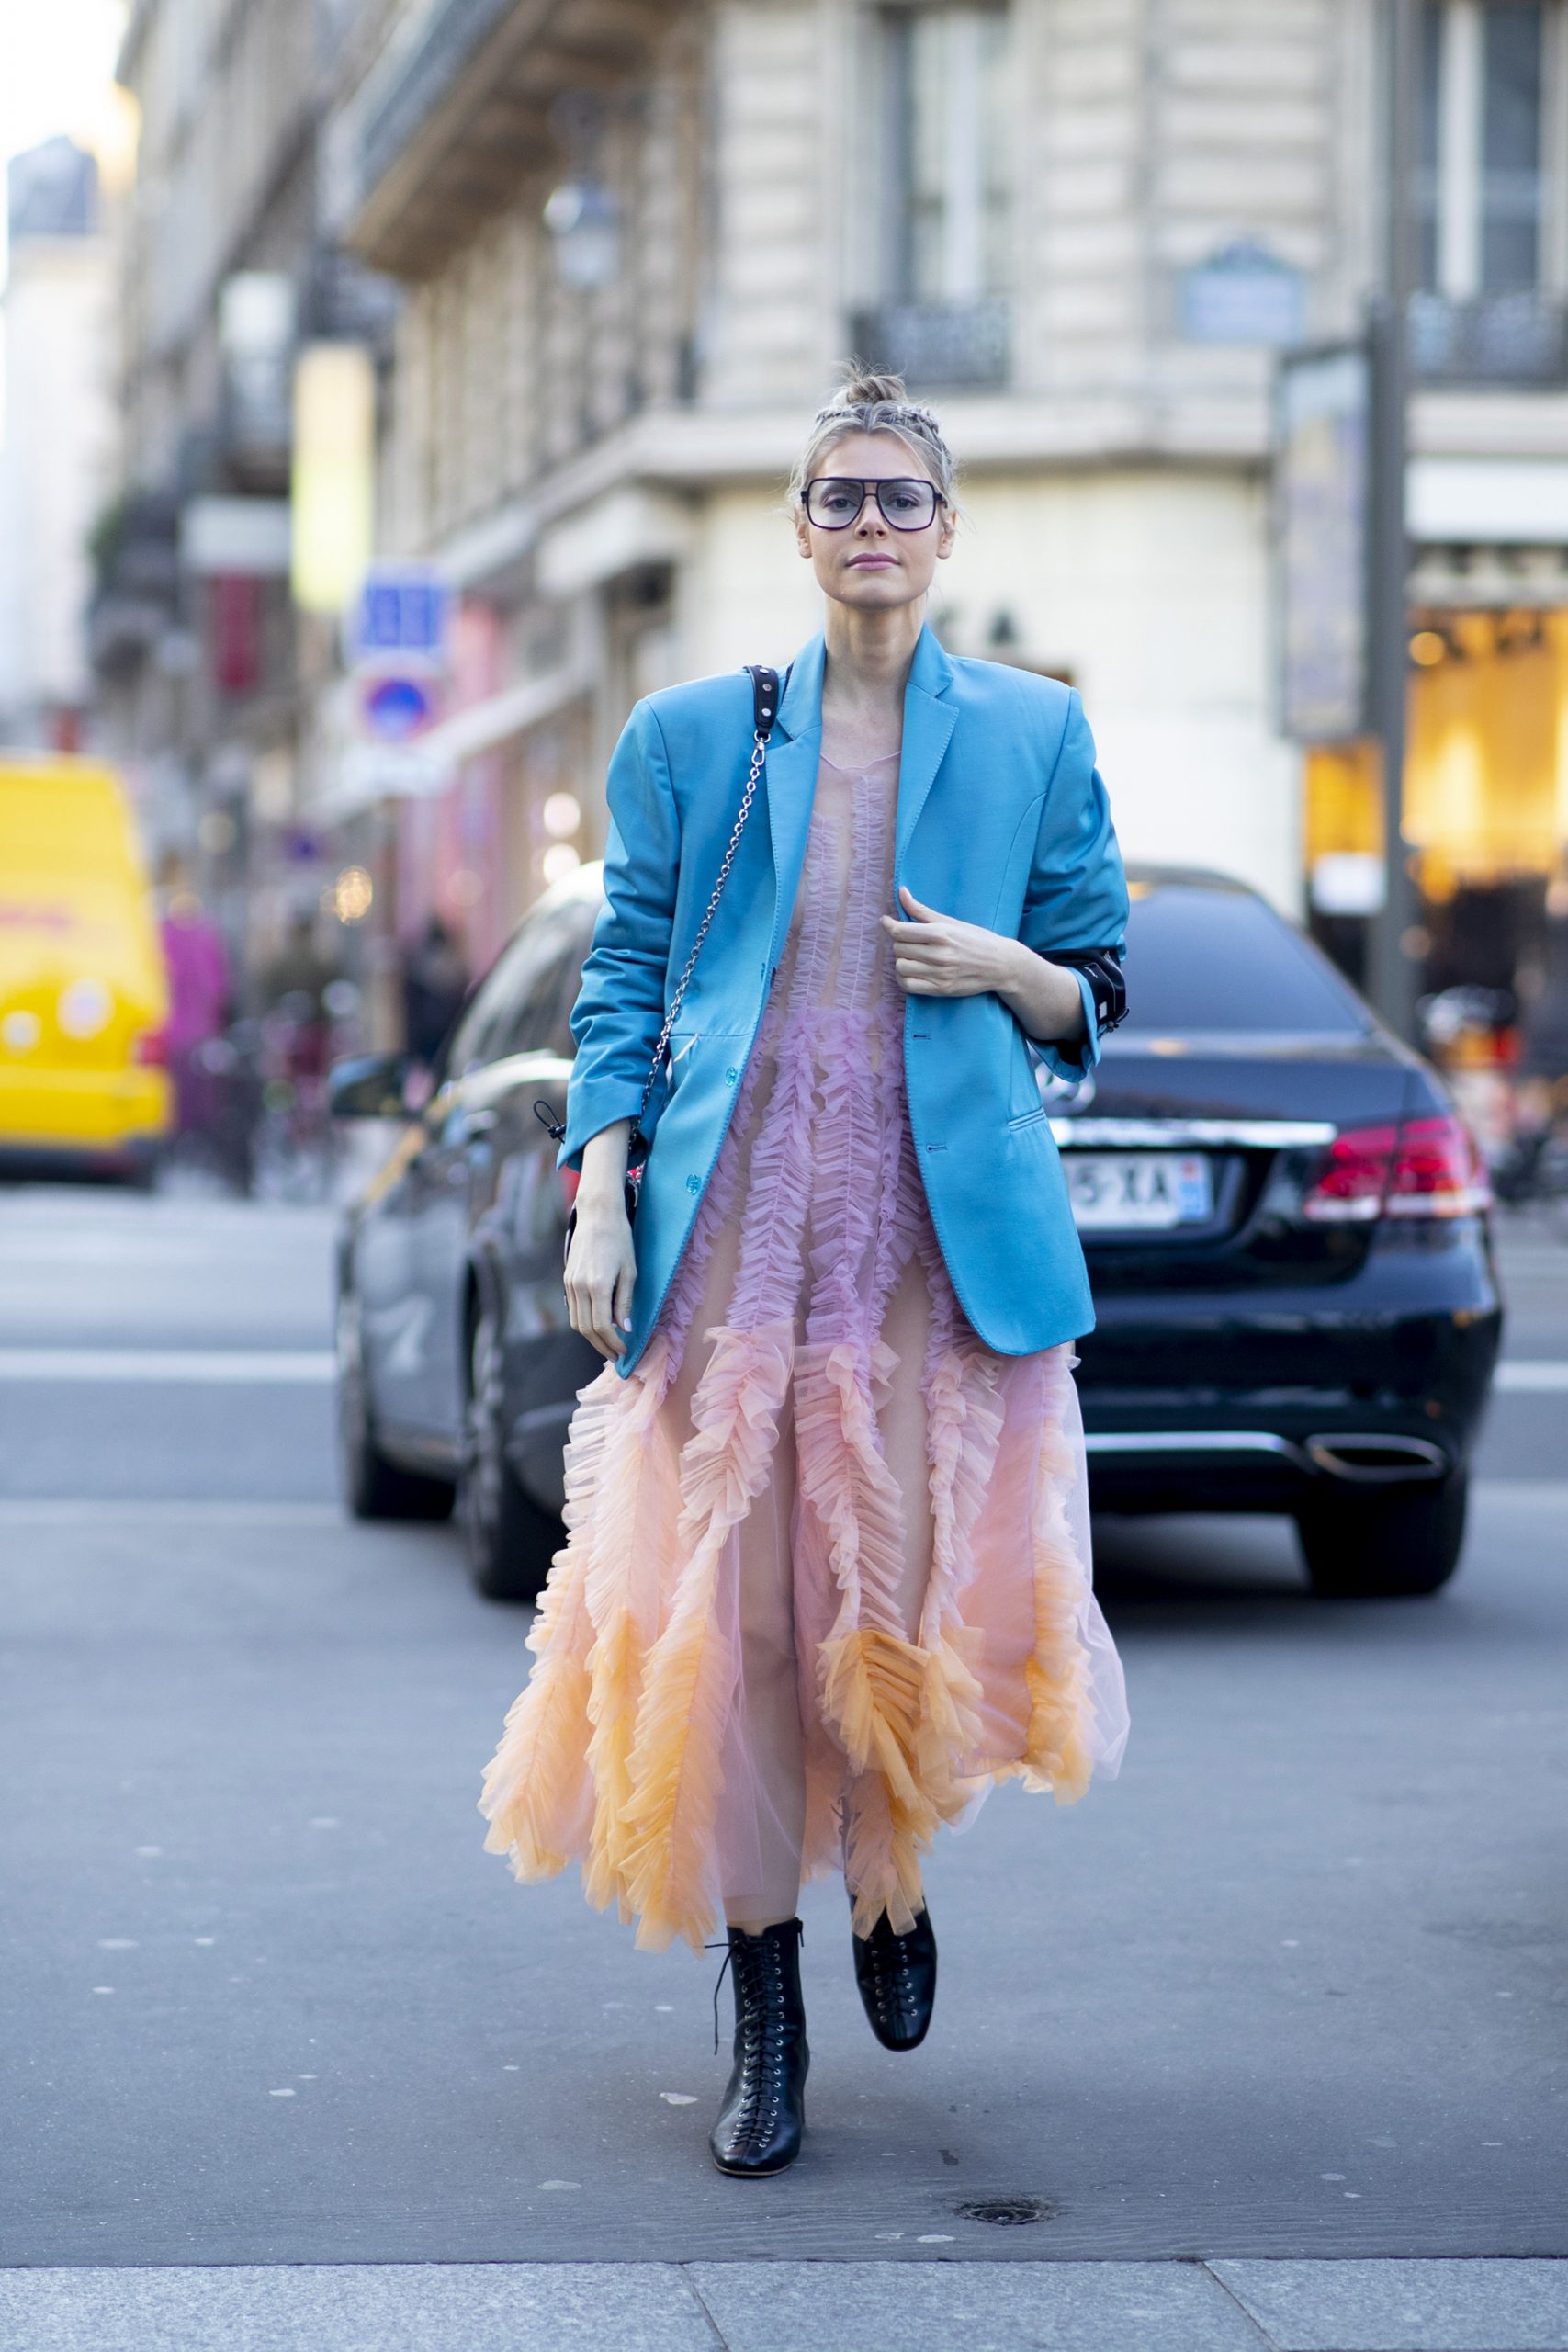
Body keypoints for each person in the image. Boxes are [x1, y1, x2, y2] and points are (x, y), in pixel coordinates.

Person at [479, 371, 1131, 2178]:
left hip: (929, 1245)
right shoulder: (703, 733)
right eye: (836, 497)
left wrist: (1007, 964)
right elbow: (620, 981)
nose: (866, 525)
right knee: (743, 1621)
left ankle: (892, 1872)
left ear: (944, 529)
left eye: (897, 499)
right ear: (794, 527)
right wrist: (598, 1197)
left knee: (903, 1594)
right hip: (734, 1232)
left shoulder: (1034, 733)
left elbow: (1095, 982)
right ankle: (762, 2002)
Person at [401, 914, 469, 1071]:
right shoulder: (455, 968)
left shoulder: (418, 969)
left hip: (433, 1046)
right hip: (449, 1045)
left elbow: (412, 1015)